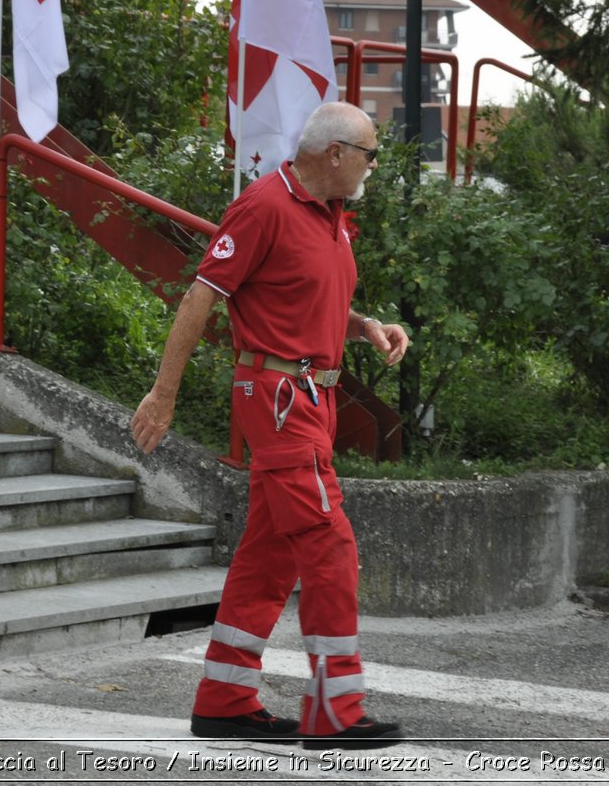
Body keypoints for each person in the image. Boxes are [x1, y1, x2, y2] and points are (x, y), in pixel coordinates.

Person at [130, 101, 411, 750]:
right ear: (334, 153)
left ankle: (224, 698)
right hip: (281, 400)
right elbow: (204, 294)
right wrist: (163, 392)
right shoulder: (264, 205)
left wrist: (363, 325)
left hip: (312, 400)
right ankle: (335, 709)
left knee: (271, 552)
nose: (373, 165)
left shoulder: (332, 219)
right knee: (328, 542)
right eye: (369, 153)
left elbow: (300, 294)